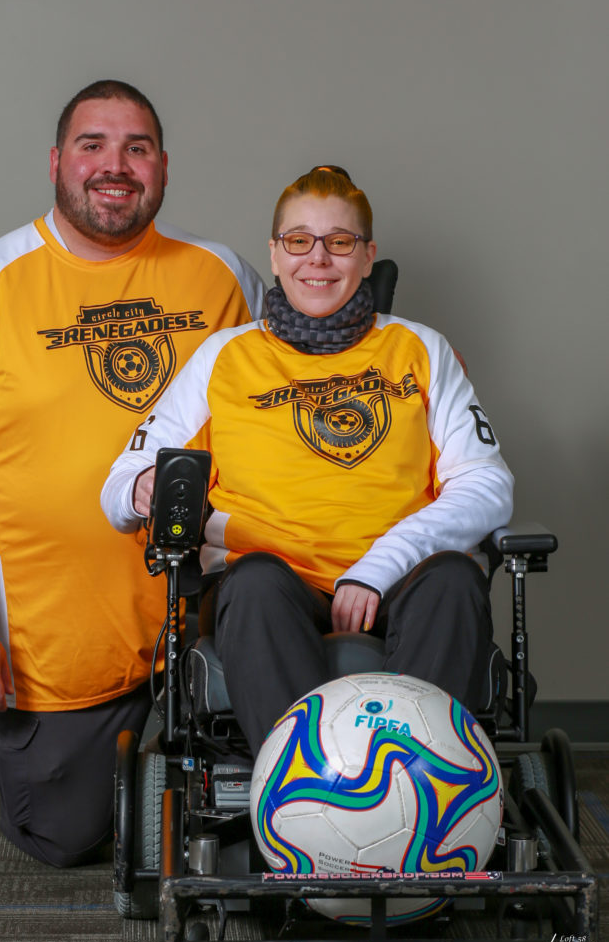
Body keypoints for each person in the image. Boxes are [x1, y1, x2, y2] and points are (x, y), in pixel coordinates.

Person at [0, 80, 264, 865]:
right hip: (61, 639)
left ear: (162, 166)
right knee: (62, 836)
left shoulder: (222, 273)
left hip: (209, 609)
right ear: (58, 161)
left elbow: (294, 374)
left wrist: (410, 352)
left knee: (279, 809)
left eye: (136, 147)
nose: (114, 166)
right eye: (92, 145)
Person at [101, 164, 513, 758]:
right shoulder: (225, 357)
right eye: (299, 241)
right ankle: (301, 792)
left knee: (454, 580)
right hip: (270, 583)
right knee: (254, 582)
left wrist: (378, 567)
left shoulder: (421, 349)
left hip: (400, 580)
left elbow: (487, 484)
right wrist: (141, 489)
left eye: (339, 242)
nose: (317, 258)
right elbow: (118, 487)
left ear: (368, 256)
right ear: (274, 254)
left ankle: (419, 788)